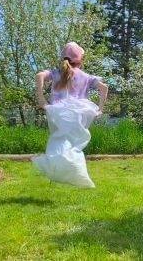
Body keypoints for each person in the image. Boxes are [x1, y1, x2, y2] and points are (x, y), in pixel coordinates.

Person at [33, 42, 108, 188]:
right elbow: (104, 88)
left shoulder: (56, 73)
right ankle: (71, 171)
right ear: (80, 60)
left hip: (59, 113)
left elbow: (39, 75)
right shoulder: (86, 76)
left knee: (59, 141)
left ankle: (57, 169)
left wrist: (41, 99)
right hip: (79, 113)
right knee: (73, 144)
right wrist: (100, 109)